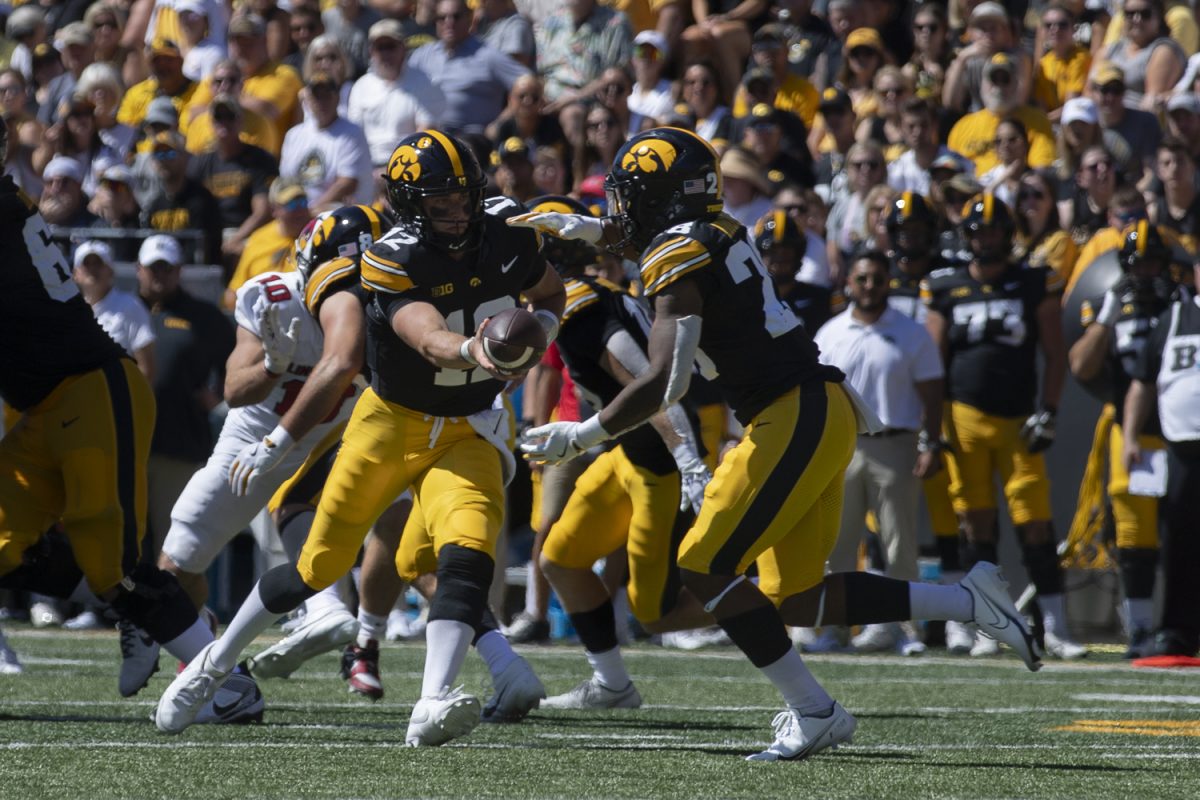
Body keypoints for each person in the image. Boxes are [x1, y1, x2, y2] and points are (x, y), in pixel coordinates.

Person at [510, 126, 1040, 761]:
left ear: (663, 198)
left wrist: (585, 433)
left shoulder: (675, 257)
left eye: (633, 195)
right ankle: (967, 598)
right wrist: (588, 231)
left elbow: (663, 380)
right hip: (814, 408)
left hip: (792, 414)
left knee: (704, 565)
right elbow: (645, 237)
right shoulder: (718, 228)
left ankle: (815, 710)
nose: (621, 209)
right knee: (796, 597)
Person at [156, 130, 566, 746]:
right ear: (408, 204)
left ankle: (432, 700)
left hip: (471, 425)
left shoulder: (505, 233)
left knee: (466, 553)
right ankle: (211, 668)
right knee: (316, 563)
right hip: (390, 421)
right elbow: (426, 336)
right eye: (440, 201)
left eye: (465, 197)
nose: (456, 212)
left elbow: (550, 291)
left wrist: (540, 333)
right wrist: (479, 349)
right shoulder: (391, 257)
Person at [0, 117, 259, 720]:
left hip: (92, 390)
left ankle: (227, 684)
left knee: (115, 565)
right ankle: (143, 611)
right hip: (45, 406)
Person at [520, 195, 712, 709]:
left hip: (658, 465)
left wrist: (688, 461)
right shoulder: (589, 296)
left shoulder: (582, 305)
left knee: (658, 614)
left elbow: (647, 383)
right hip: (627, 457)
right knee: (559, 558)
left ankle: (784, 600)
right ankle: (611, 684)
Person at [922, 195, 1088, 661]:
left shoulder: (1033, 281)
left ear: (1008, 234)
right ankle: (986, 626)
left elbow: (1055, 353)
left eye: (994, 231)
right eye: (979, 231)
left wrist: (1050, 410)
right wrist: (930, 431)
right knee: (976, 526)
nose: (986, 239)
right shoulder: (944, 286)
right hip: (964, 419)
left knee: (1035, 523)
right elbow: (933, 364)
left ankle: (1055, 627)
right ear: (967, 236)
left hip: (1018, 420)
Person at [814, 251, 944, 655]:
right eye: (862, 279)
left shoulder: (911, 332)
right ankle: (835, 628)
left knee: (899, 544)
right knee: (838, 544)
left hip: (895, 444)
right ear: (849, 282)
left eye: (877, 279)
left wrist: (932, 441)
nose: (869, 287)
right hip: (843, 447)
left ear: (889, 281)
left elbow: (933, 391)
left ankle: (905, 629)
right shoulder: (831, 332)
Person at [1069, 222, 1178, 657]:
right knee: (1134, 539)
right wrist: (1106, 317)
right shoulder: (1111, 305)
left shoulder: (1183, 305)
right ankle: (1142, 630)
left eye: (1155, 262)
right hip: (1130, 432)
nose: (1148, 271)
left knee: (1181, 533)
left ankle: (1177, 626)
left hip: (1179, 434)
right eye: (1140, 262)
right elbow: (1081, 367)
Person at [1123, 250, 1200, 658]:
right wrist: (1130, 436)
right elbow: (1142, 381)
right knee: (1180, 545)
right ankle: (1178, 630)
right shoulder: (1174, 318)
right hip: (1183, 446)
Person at [406, 0, 530, 135]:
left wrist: (499, 123)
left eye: (456, 16)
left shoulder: (488, 55)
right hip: (429, 136)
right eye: (442, 18)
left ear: (469, 18)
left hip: (471, 140)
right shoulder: (422, 55)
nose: (449, 22)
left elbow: (529, 84)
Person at [186, 93, 278, 262]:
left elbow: (262, 212)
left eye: (230, 116)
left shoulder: (260, 160)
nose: (224, 122)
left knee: (237, 252)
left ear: (241, 121)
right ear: (211, 123)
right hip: (208, 232)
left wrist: (234, 240)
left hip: (245, 232)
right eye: (218, 117)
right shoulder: (200, 162)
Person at [348, 19, 444, 173]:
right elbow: (355, 138)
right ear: (371, 51)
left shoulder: (424, 82)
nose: (385, 54)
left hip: (411, 164)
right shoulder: (360, 86)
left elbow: (425, 136)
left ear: (403, 48)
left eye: (390, 47)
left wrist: (391, 171)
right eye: (380, 48)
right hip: (368, 167)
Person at [280, 71, 373, 211]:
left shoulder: (352, 133)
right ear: (307, 99)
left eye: (327, 96)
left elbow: (347, 184)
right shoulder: (293, 135)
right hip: (297, 211)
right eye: (317, 97)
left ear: (337, 98)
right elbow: (287, 182)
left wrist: (311, 211)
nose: (322, 102)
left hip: (335, 211)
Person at [72, 240, 157, 381]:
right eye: (87, 264)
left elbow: (146, 367)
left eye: (98, 263)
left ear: (111, 271)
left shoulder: (130, 306)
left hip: (117, 397)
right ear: (75, 274)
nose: (93, 269)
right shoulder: (70, 311)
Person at [140, 130, 224, 263]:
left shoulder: (202, 200)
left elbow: (206, 249)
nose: (164, 160)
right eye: (159, 155)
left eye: (170, 153)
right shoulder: (154, 204)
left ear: (185, 157)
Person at [227, 178, 313, 306]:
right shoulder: (258, 240)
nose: (299, 211)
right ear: (274, 209)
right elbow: (234, 291)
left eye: (302, 203)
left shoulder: (318, 233)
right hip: (265, 316)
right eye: (292, 205)